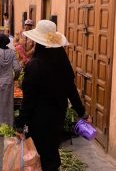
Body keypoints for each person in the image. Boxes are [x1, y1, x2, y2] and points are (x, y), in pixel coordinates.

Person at [15, 20, 88, 171]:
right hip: (57, 119)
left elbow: (28, 99)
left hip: (39, 120)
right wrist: (81, 112)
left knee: (42, 156)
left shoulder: (35, 65)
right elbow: (71, 90)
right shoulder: (63, 63)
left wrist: (20, 123)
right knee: (52, 153)